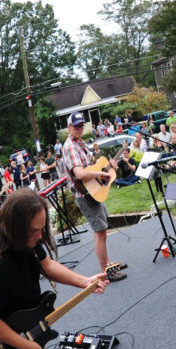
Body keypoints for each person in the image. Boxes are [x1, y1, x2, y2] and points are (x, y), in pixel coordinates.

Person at [0, 189, 108, 349]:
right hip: (12, 330)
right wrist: (24, 345)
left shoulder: (27, 236)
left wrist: (85, 282)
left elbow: (47, 265)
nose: (40, 236)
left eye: (42, 228)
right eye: (34, 231)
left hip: (29, 313)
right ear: (15, 226)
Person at [62, 112, 126, 281]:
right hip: (85, 194)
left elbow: (93, 165)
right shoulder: (70, 146)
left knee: (102, 231)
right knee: (100, 233)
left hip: (93, 192)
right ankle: (106, 272)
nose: (79, 129)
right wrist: (101, 173)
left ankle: (109, 263)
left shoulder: (80, 143)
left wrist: (109, 167)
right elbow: (81, 173)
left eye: (81, 125)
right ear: (69, 128)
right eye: (76, 126)